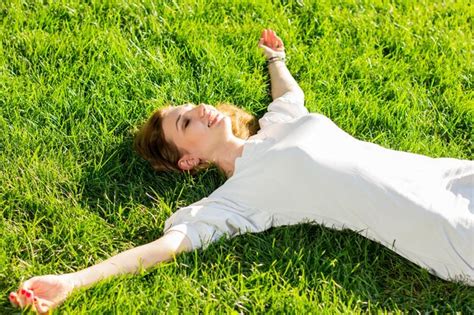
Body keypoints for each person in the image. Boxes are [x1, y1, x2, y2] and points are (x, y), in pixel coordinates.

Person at [9, 29, 474, 313]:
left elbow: (287, 96)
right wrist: (72, 281)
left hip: (451, 176)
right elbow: (162, 248)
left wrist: (276, 59)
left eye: (194, 105)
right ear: (188, 161)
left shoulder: (278, 123)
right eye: (185, 121)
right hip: (440, 224)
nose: (202, 109)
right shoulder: (238, 198)